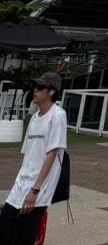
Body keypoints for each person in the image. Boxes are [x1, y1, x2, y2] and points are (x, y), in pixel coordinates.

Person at [0, 73, 67, 245]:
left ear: (51, 92)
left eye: (40, 87)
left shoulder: (58, 115)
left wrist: (35, 190)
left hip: (39, 188)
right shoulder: (35, 117)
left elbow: (52, 154)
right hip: (22, 183)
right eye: (35, 87)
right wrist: (19, 182)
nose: (35, 90)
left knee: (23, 237)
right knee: (4, 227)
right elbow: (28, 155)